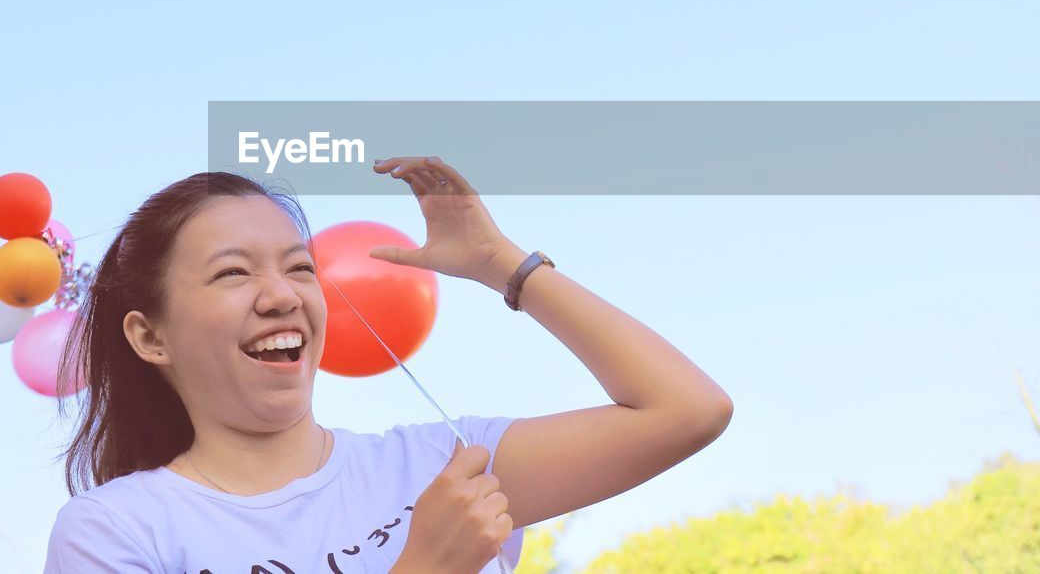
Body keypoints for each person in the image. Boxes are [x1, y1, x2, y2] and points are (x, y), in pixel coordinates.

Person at [43, 155, 733, 573]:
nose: (281, 294)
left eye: (300, 267)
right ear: (149, 335)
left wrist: (503, 266)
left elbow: (688, 409)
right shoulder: (118, 529)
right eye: (232, 273)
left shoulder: (443, 461)